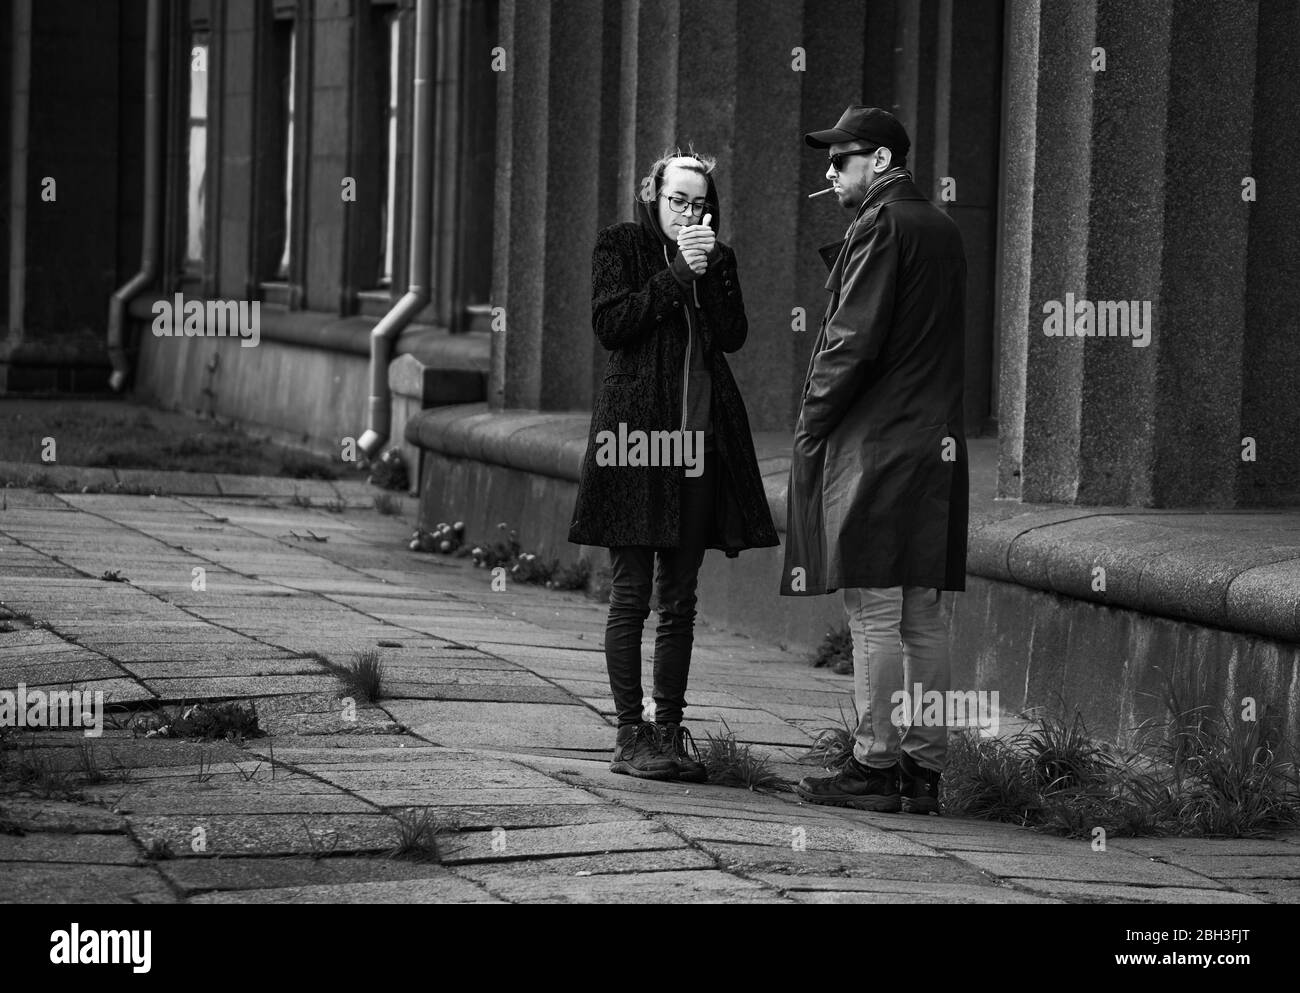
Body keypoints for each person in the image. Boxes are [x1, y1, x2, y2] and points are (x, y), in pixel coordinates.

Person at [569, 148, 778, 782]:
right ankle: (629, 734)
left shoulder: (719, 258)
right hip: (636, 442)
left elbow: (733, 334)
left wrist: (707, 271)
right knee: (632, 592)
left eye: (700, 203)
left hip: (699, 445)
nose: (689, 212)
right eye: (677, 201)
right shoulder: (621, 246)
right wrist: (675, 277)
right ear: (652, 198)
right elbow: (612, 324)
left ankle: (668, 730)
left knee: (680, 597)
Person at [781, 107, 969, 814]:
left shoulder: (883, 225)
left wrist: (810, 425)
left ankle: (874, 763)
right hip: (934, 444)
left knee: (874, 611)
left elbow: (849, 343)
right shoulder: (942, 228)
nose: (829, 172)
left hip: (877, 444)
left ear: (883, 160)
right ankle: (924, 771)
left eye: (843, 160)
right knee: (924, 613)